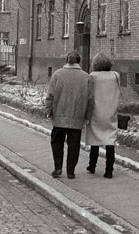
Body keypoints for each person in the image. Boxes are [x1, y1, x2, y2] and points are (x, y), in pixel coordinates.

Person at [44, 51, 92, 179]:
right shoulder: (86, 77)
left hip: (59, 117)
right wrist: (87, 116)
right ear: (79, 61)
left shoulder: (57, 75)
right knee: (74, 145)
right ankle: (70, 171)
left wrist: (49, 110)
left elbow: (50, 95)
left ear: (66, 60)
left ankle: (58, 168)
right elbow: (90, 99)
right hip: (77, 118)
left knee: (57, 142)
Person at [85, 53, 121, 179]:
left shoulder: (92, 77)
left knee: (95, 140)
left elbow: (89, 94)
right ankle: (109, 170)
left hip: (96, 112)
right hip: (110, 112)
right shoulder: (115, 76)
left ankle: (92, 165)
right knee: (109, 142)